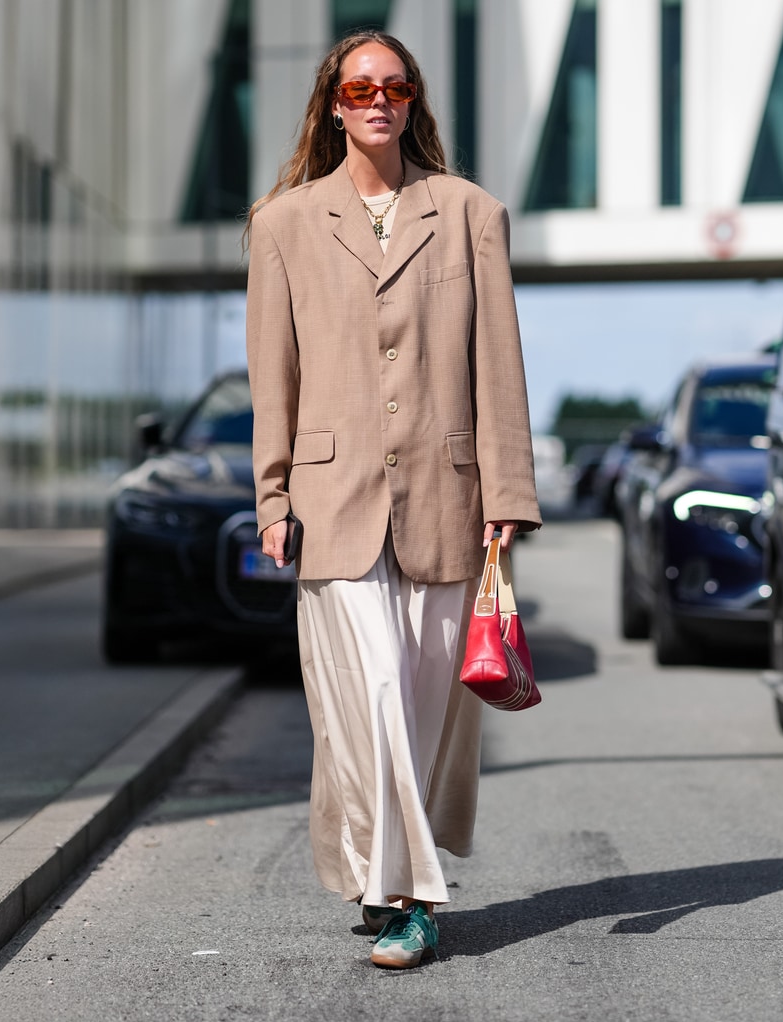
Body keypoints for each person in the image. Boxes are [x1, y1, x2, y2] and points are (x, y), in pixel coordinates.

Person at [244, 30, 542, 969]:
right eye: (359, 86)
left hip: (448, 494)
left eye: (395, 85)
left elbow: (498, 365)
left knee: (417, 709)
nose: (377, 99)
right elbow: (272, 378)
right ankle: (412, 899)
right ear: (332, 103)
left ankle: (378, 875)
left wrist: (510, 490)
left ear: (413, 101)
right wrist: (272, 498)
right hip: (332, 501)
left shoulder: (469, 214)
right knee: (368, 694)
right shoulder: (283, 223)